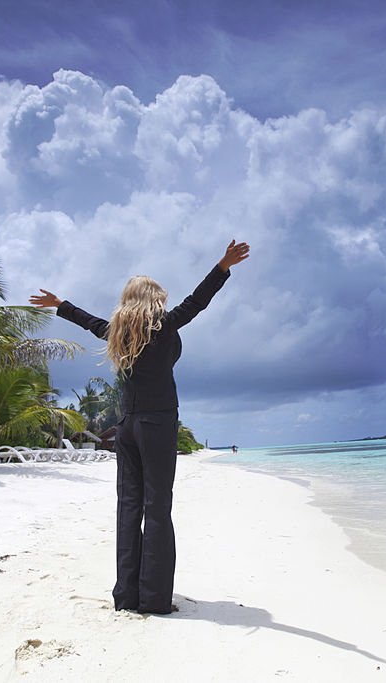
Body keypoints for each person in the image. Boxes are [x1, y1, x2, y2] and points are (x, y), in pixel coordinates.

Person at [30, 240, 250, 614]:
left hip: (127, 428)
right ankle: (154, 599)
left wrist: (60, 305)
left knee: (128, 508)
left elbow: (89, 322)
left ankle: (126, 596)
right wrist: (222, 267)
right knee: (157, 509)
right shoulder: (163, 326)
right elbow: (197, 301)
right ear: (154, 300)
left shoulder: (118, 332)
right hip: (157, 423)